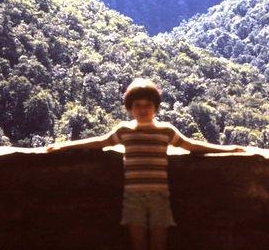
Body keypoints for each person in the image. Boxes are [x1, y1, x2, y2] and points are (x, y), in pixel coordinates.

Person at [46, 77, 245, 250]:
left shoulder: (165, 131)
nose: (142, 109)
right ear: (130, 108)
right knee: (137, 243)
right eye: (137, 105)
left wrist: (227, 149)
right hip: (133, 197)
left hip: (160, 196)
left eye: (147, 105)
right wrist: (64, 147)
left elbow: (191, 145)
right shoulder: (124, 131)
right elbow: (99, 142)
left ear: (155, 107)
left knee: (159, 243)